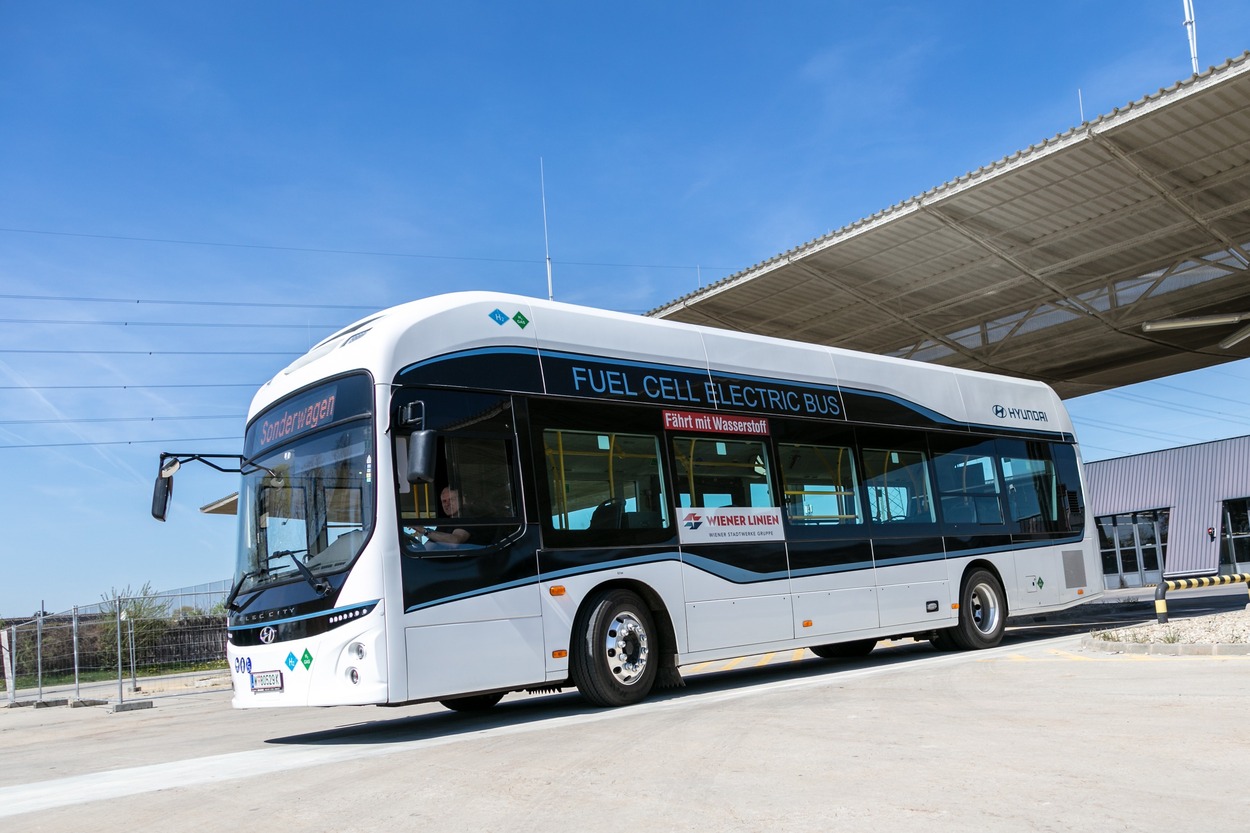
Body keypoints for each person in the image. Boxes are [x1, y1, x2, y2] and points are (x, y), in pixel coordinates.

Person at [422, 486, 499, 548]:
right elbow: (428, 548)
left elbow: (455, 541)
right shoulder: (447, 523)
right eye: (444, 501)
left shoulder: (467, 514)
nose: (447, 504)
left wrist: (423, 530)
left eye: (451, 499)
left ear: (462, 500)